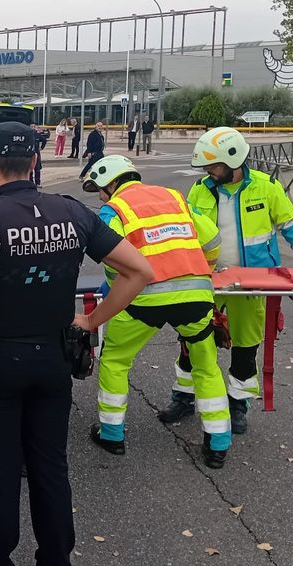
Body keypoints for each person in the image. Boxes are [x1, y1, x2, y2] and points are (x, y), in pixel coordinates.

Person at [0, 122, 152, 566]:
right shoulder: (71, 213)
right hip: (53, 359)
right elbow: (139, 271)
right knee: (51, 472)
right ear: (35, 162)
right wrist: (91, 320)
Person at [159, 127, 293, 434]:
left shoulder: (267, 188)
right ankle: (183, 397)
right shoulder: (201, 189)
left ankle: (238, 403)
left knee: (245, 348)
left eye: (215, 166)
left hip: (252, 284)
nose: (210, 172)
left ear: (234, 160)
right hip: (208, 282)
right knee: (191, 344)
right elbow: (186, 232)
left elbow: (292, 228)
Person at [82, 155, 231, 469]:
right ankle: (218, 443)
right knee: (206, 366)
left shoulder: (114, 210)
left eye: (99, 189)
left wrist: (115, 294)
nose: (99, 196)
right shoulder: (174, 198)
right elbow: (212, 239)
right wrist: (204, 273)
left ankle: (112, 434)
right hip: (195, 296)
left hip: (142, 300)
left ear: (111, 183)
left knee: (116, 360)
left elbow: (113, 262)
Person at [31, 123, 48, 187]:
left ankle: (37, 183)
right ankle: (31, 183)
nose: (33, 128)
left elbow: (44, 140)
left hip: (36, 154)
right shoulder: (28, 135)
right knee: (30, 170)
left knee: (37, 169)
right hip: (29, 154)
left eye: (34, 126)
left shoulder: (37, 135)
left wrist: (42, 147)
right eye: (31, 126)